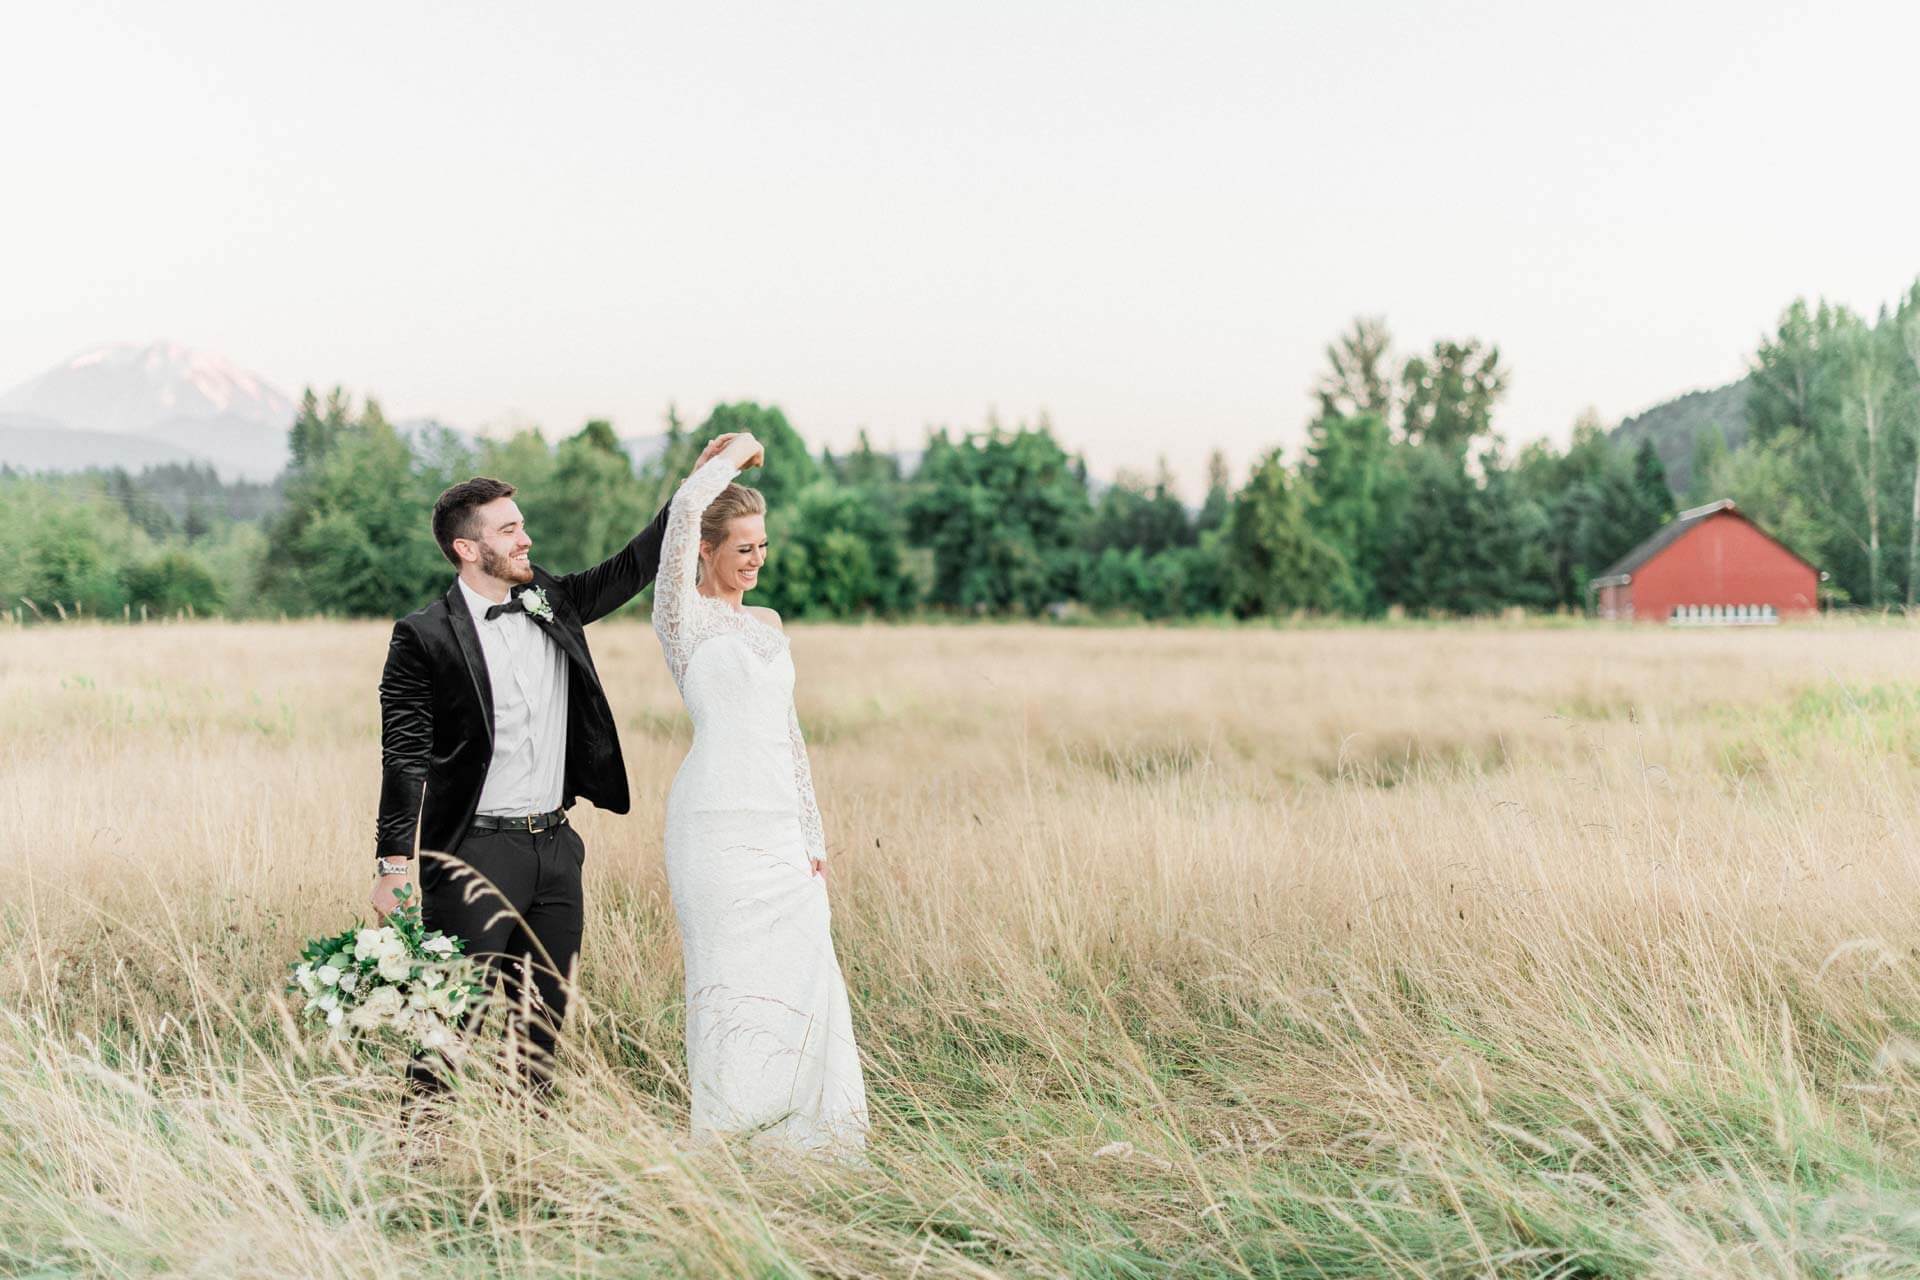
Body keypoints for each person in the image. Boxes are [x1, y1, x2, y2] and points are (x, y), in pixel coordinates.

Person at [372, 435, 736, 1094]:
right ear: (467, 547)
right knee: (450, 1025)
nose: (525, 539)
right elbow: (403, 755)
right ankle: (417, 1155)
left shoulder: (551, 600)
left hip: (556, 851)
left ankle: (530, 1161)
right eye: (509, 530)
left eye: (522, 526)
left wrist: (696, 488)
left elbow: (635, 562)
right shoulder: (423, 637)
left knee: (541, 1030)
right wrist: (394, 866)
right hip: (473, 853)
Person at [653, 431, 869, 1152]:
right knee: (729, 983)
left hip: (779, 830)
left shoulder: (770, 626)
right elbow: (684, 510)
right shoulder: (681, 617)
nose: (756, 561)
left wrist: (812, 840)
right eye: (742, 547)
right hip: (712, 827)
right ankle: (727, 1136)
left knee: (806, 975)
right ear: (707, 550)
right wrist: (729, 457)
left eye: (763, 547)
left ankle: (808, 1140)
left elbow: (791, 735)